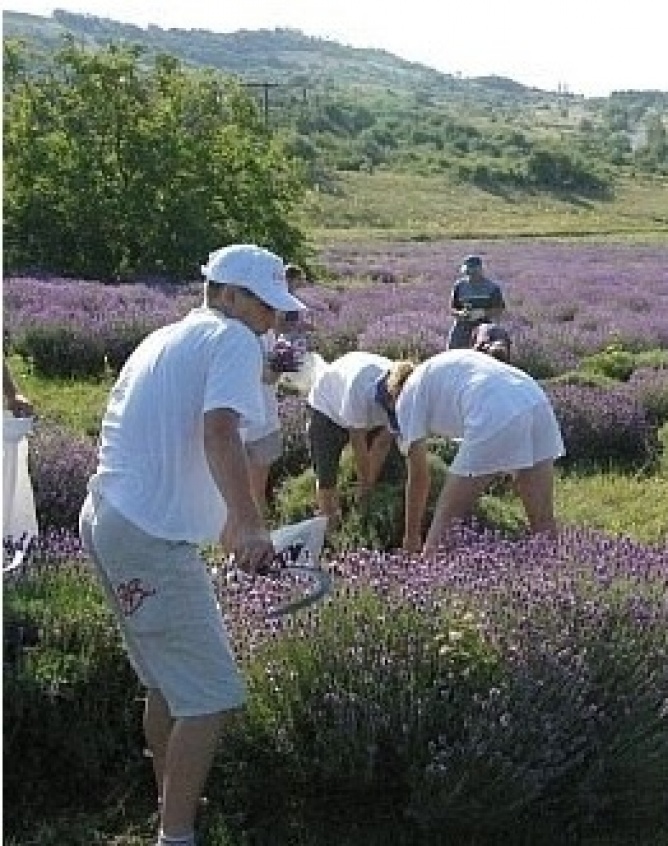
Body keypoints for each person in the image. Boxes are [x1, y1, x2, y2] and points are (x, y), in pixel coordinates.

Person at [77, 243, 306, 846]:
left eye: (278, 308)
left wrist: (267, 386)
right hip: (151, 537)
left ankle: (168, 804)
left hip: (109, 518)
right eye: (261, 303)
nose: (270, 318)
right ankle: (176, 835)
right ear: (226, 294)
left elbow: (260, 448)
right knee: (209, 695)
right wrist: (248, 523)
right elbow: (220, 431)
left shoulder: (165, 339)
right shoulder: (228, 339)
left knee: (167, 684)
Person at [396, 349, 565, 554]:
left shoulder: (405, 398)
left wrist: (411, 537)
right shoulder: (435, 370)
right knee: (543, 522)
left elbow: (419, 477)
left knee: (446, 520)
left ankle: (425, 580)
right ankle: (555, 576)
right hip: (534, 398)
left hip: (493, 409)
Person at [305, 351, 416, 524]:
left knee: (389, 467)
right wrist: (364, 483)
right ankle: (330, 523)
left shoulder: (408, 392)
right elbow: (359, 445)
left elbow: (382, 444)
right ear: (389, 397)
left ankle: (360, 513)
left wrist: (367, 488)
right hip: (326, 408)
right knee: (326, 476)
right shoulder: (360, 388)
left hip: (364, 409)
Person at [242, 262, 309, 519]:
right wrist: (282, 363)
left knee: (252, 487)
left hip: (261, 418)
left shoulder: (263, 333)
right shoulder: (244, 338)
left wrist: (283, 359)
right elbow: (266, 377)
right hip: (253, 422)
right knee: (251, 489)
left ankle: (256, 529)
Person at [447, 255, 506, 350]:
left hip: (485, 324)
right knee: (452, 350)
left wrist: (482, 313)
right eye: (468, 271)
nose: (471, 274)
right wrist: (460, 313)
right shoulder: (459, 286)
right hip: (463, 323)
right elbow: (452, 308)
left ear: (480, 270)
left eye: (474, 270)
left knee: (487, 350)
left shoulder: (492, 288)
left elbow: (499, 309)